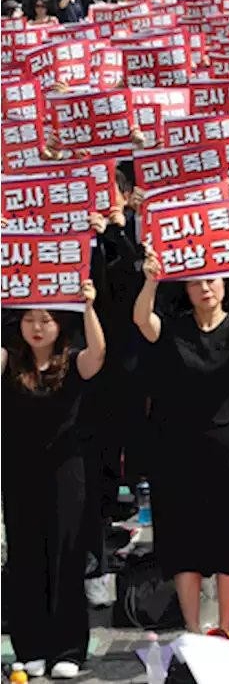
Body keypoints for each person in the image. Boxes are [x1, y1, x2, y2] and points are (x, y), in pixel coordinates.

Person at [133, 244, 229, 633]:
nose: (205, 289)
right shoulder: (174, 326)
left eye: (212, 280)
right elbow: (143, 322)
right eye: (196, 283)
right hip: (177, 448)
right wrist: (151, 280)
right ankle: (194, 629)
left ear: (225, 283)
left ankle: (226, 629)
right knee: (184, 543)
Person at [2, 281, 106, 681]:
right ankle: (30, 647)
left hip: (66, 470)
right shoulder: (9, 361)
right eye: (29, 319)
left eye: (46, 319)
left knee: (66, 556)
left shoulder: (73, 361)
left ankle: (68, 649)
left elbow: (99, 354)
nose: (37, 327)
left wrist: (89, 307)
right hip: (18, 470)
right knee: (26, 559)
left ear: (60, 325)